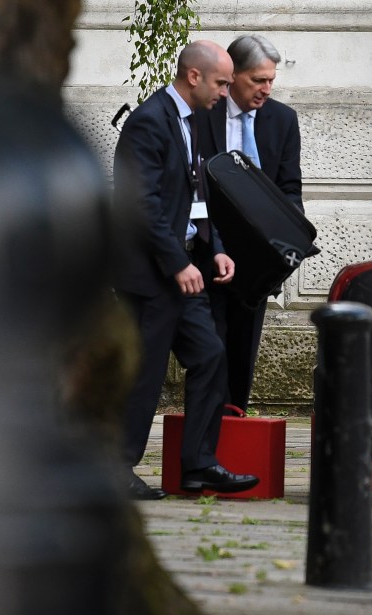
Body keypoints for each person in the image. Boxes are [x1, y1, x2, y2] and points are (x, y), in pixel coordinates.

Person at [113, 40, 260, 500]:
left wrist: (213, 248)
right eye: (220, 82)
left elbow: (196, 196)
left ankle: (198, 464)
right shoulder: (147, 122)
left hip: (185, 272)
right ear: (193, 76)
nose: (225, 91)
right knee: (144, 374)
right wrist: (177, 262)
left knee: (211, 355)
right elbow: (141, 205)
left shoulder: (191, 120)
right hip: (152, 276)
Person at [198, 34, 305, 412]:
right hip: (208, 254)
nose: (267, 88)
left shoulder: (282, 120)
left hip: (257, 264)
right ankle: (203, 443)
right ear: (233, 74)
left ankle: (232, 439)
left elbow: (290, 189)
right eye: (258, 80)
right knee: (209, 356)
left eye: (271, 80)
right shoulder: (204, 112)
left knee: (242, 358)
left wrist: (286, 243)